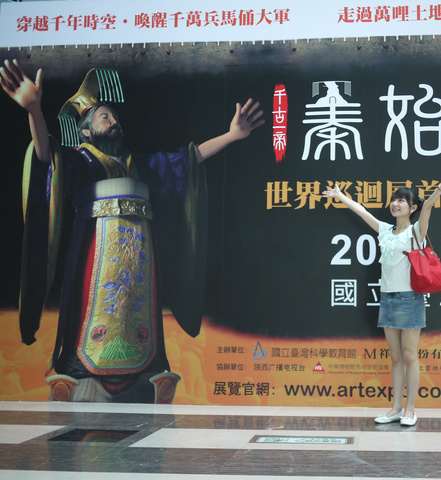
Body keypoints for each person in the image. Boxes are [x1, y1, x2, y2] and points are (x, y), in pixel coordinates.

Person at [1, 59, 264, 403]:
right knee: (92, 308)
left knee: (138, 310)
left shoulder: (136, 163)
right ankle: (81, 371)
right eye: (105, 117)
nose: (114, 122)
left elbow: (186, 160)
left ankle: (145, 369)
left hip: (139, 255)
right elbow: (45, 155)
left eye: (114, 117)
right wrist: (34, 111)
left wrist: (232, 135)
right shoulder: (81, 160)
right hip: (95, 251)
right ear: (86, 131)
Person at [323, 177, 441, 425]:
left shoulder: (416, 231)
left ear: (412, 207)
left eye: (401, 200)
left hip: (409, 299)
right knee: (396, 357)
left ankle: (410, 410)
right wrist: (340, 196)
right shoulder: (385, 230)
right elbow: (362, 212)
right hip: (387, 299)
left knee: (410, 355)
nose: (395, 204)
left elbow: (428, 206)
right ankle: (396, 409)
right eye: (394, 200)